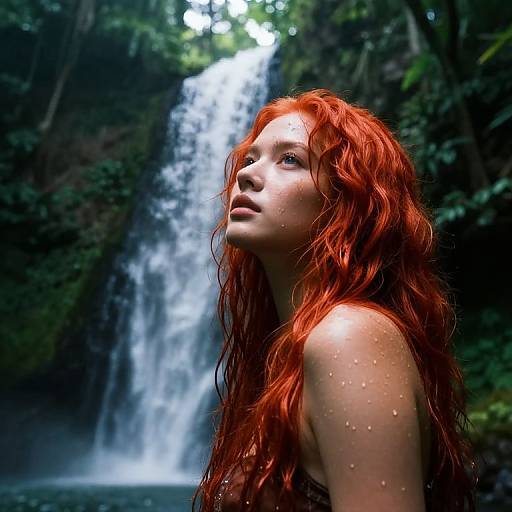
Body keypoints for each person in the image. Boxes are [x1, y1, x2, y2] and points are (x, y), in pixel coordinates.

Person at [191, 89, 478, 512]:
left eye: (290, 159)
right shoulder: (291, 348)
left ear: (349, 203)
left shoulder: (349, 337)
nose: (247, 176)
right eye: (250, 159)